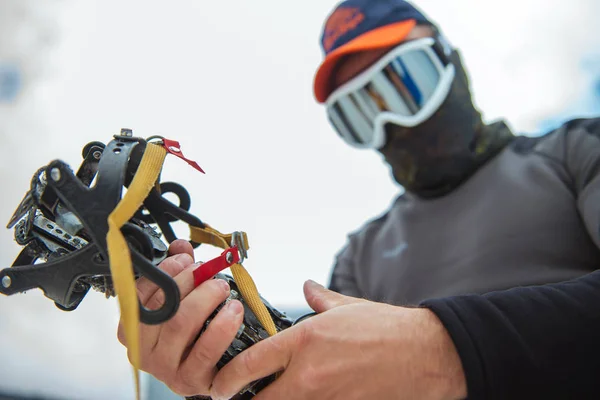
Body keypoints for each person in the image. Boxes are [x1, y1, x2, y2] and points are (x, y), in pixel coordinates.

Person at [118, 0, 600, 398]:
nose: (391, 124)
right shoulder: (362, 254)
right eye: (359, 111)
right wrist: (217, 373)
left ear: (452, 65)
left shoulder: (573, 152)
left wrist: (438, 351)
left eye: (405, 83)